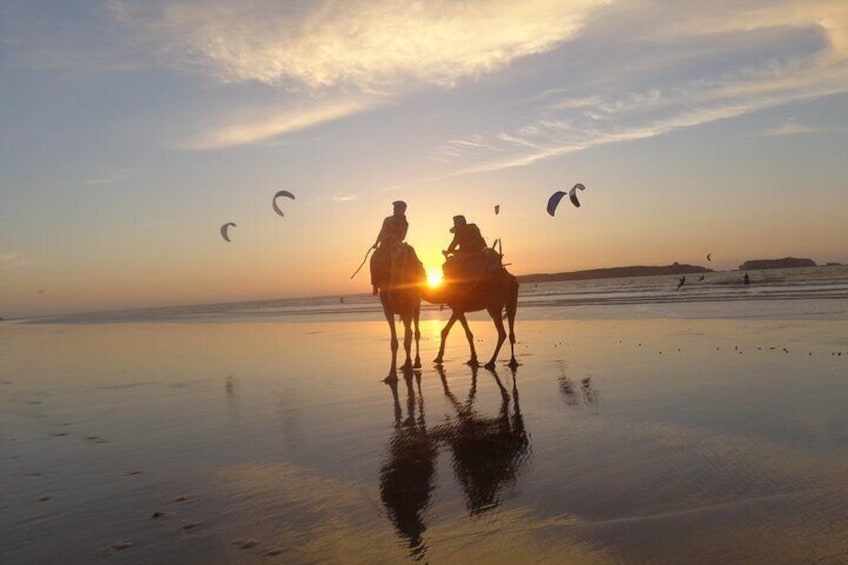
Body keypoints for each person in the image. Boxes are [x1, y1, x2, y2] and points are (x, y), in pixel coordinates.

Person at [370, 201, 409, 295]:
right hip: (385, 243)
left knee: (405, 254)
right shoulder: (387, 220)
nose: (395, 210)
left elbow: (403, 236)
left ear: (403, 210)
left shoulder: (404, 222)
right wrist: (376, 242)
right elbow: (382, 232)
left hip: (397, 244)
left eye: (398, 209)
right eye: (395, 208)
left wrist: (394, 237)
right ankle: (375, 283)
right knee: (374, 258)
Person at [442, 215, 488, 281]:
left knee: (446, 265)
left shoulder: (459, 232)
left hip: (468, 255)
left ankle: (450, 283)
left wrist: (448, 252)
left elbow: (452, 246)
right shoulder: (473, 227)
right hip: (479, 252)